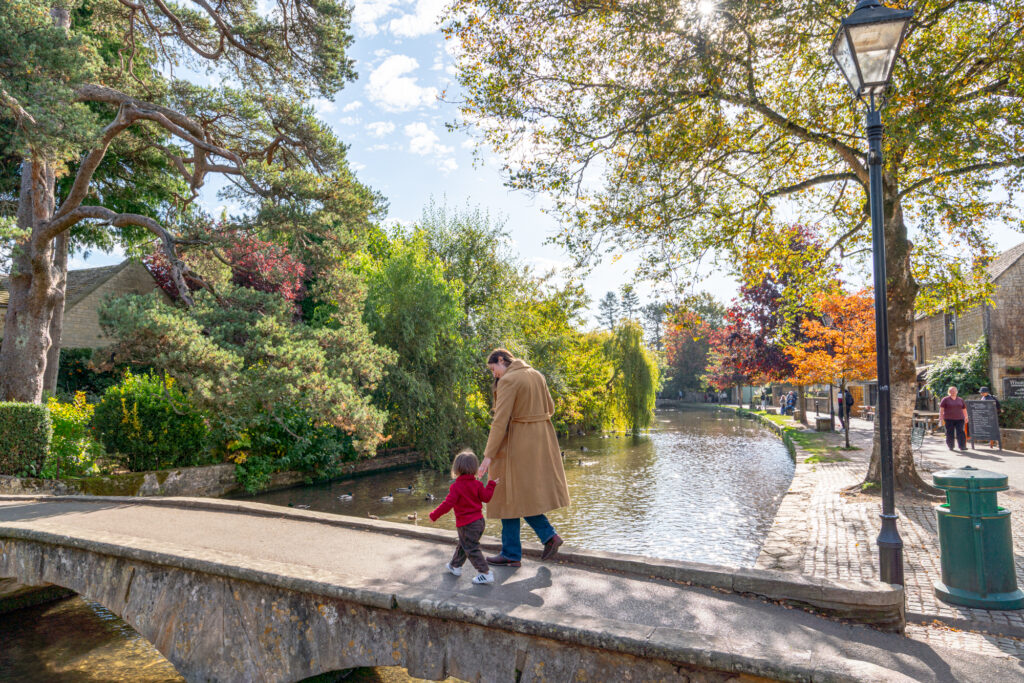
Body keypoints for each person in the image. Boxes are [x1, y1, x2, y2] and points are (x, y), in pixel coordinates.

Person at [477, 348, 570, 567]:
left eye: (493, 369)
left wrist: (488, 456)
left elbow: (500, 421)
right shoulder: (537, 375)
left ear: (502, 360)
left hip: (516, 444)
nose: (494, 375)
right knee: (518, 497)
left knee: (507, 494)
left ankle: (513, 552)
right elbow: (551, 408)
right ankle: (547, 537)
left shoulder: (509, 380)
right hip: (540, 442)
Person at [429, 450, 498, 585]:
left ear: (457, 468)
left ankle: (485, 573)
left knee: (471, 548)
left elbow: (447, 504)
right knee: (464, 544)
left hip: (466, 524)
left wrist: (434, 515)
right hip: (479, 522)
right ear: (474, 468)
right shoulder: (477, 484)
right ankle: (455, 566)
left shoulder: (456, 487)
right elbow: (486, 498)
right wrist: (491, 485)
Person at [939, 386, 968, 451]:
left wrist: (966, 416)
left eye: (954, 391)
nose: (953, 392)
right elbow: (941, 408)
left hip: (960, 418)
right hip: (949, 419)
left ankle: (962, 446)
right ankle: (951, 446)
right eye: (951, 391)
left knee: (961, 432)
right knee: (950, 432)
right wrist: (940, 416)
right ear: (949, 392)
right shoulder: (945, 399)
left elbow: (964, 409)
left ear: (957, 392)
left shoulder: (960, 399)